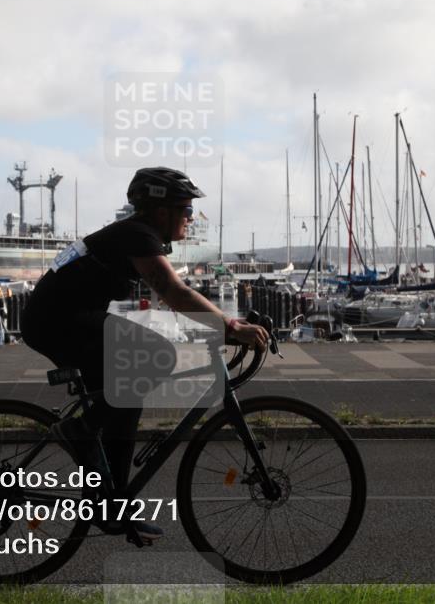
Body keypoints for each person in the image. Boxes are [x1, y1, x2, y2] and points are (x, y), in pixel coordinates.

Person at [20, 166, 268, 538]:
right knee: (156, 353)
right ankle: (79, 430)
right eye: (186, 209)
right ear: (162, 211)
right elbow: (174, 291)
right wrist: (230, 326)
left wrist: (215, 328)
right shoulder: (137, 234)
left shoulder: (134, 236)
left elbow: (166, 301)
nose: (190, 218)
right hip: (57, 321)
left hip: (65, 318)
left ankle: (112, 503)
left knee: (126, 398)